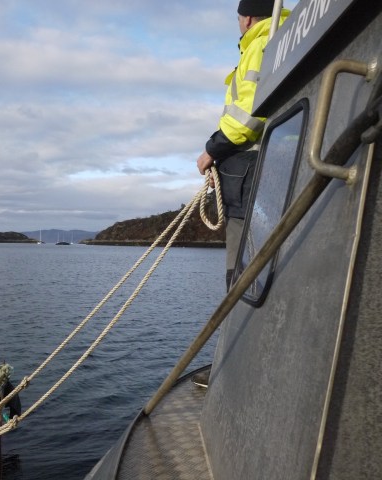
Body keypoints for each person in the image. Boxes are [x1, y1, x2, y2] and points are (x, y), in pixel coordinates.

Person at [192, 0, 290, 388]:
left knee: (241, 275)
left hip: (251, 176)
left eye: (238, 18)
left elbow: (247, 117)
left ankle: (234, 370)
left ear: (247, 18)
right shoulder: (287, 37)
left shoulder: (261, 43)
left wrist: (211, 151)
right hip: (274, 170)